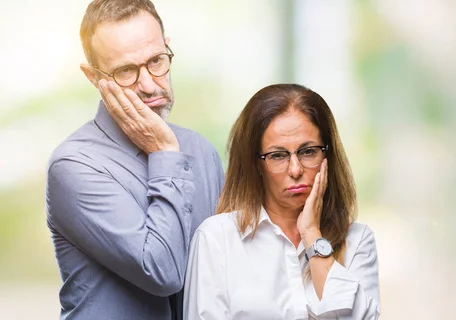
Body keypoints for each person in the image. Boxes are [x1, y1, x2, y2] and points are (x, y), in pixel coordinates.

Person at [45, 1, 224, 319]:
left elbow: (227, 271)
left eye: (156, 61)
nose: (149, 84)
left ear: (167, 49)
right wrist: (165, 153)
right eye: (126, 71)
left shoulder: (202, 151)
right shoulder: (73, 166)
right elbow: (162, 272)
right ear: (93, 76)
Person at [183, 84, 381, 319]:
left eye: (308, 151)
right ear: (256, 163)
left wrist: (312, 234)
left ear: (327, 155)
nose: (295, 170)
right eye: (277, 156)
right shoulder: (217, 238)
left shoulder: (357, 241)